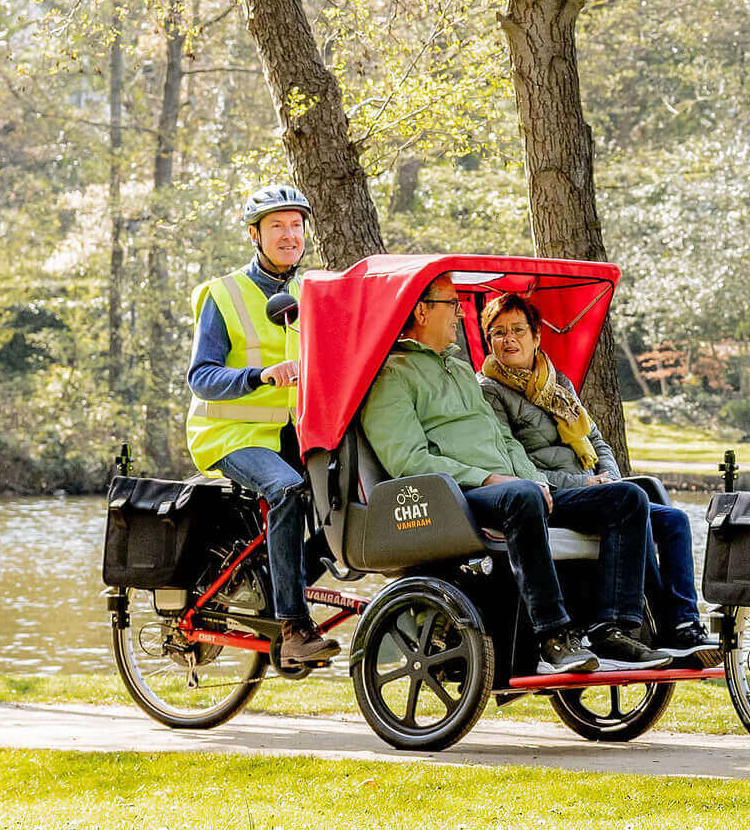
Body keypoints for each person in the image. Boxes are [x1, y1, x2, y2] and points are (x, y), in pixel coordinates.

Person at [362, 275, 631, 671]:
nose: (458, 312)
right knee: (521, 497)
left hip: (507, 488)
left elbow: (505, 443)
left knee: (625, 498)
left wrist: (532, 478)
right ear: (421, 310)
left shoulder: (456, 365)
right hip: (455, 495)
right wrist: (489, 479)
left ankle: (617, 631)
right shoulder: (392, 375)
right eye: (450, 304)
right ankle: (554, 637)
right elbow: (409, 461)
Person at [477, 293, 718, 666]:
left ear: (536, 335)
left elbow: (596, 440)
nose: (509, 339)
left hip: (594, 490)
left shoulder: (558, 384)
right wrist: (583, 485)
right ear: (487, 341)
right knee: (628, 501)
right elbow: (514, 462)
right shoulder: (489, 391)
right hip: (548, 495)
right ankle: (610, 628)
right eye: (498, 333)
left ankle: (681, 627)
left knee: (674, 521)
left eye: (517, 330)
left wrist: (609, 477)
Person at [186, 183, 334, 675]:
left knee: (351, 506)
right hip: (231, 435)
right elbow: (201, 377)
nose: (290, 235)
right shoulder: (223, 294)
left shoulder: (311, 293)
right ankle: (293, 626)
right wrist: (260, 376)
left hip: (292, 436)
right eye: (277, 226)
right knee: (288, 490)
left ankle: (269, 590)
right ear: (255, 234)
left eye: (296, 225)